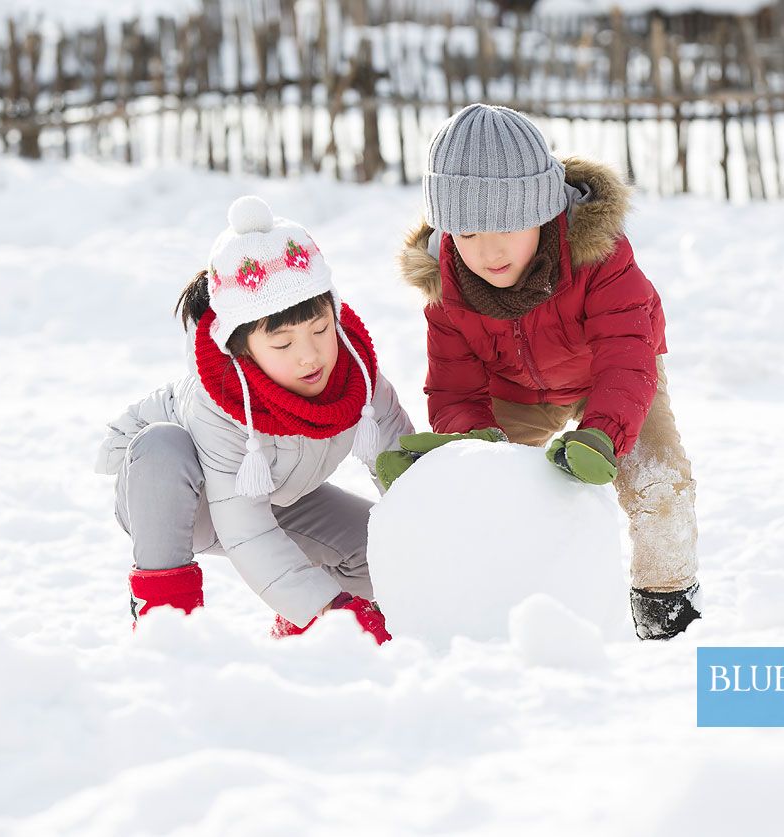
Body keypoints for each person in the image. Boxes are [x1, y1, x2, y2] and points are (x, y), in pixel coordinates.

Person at [383, 103, 701, 640]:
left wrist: (604, 434)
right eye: (466, 231)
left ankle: (665, 610)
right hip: (518, 392)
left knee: (659, 481)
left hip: (614, 376)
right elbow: (455, 385)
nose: (489, 250)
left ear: (544, 209)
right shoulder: (448, 286)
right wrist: (468, 449)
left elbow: (626, 353)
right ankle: (504, 605)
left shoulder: (600, 256)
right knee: (487, 487)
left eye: (508, 224)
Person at [95, 195, 413, 643]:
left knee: (382, 552)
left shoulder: (358, 378)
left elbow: (403, 474)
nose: (309, 356)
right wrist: (325, 609)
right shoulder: (218, 401)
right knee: (162, 445)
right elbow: (247, 532)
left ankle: (300, 636)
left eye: (321, 330)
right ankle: (166, 623)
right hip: (183, 499)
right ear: (241, 348)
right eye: (283, 345)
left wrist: (435, 539)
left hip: (281, 492)